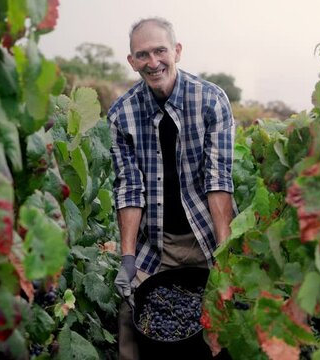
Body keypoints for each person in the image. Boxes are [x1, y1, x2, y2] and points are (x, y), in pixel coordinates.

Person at [107, 17, 235, 360]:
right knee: (131, 319)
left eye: (160, 51)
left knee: (221, 324)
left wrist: (224, 255)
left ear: (176, 51)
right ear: (132, 61)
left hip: (206, 238)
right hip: (157, 245)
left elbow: (218, 180)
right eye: (142, 55)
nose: (153, 62)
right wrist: (129, 258)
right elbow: (130, 189)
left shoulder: (211, 101)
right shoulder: (122, 115)